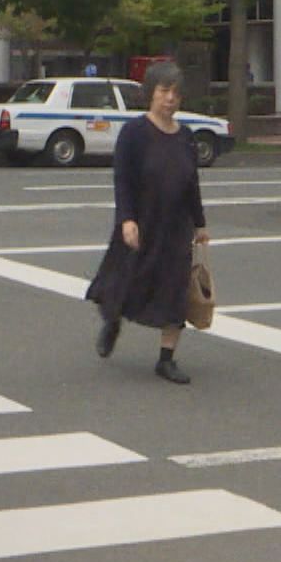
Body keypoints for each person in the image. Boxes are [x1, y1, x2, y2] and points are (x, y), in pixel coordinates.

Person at [86, 59, 211, 385]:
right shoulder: (134, 133)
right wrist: (126, 219)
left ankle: (166, 359)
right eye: (164, 91)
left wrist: (200, 224)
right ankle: (112, 322)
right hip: (140, 222)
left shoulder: (185, 135)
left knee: (175, 290)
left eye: (176, 93)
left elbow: (191, 182)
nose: (170, 98)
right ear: (151, 93)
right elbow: (122, 179)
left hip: (175, 227)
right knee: (124, 283)